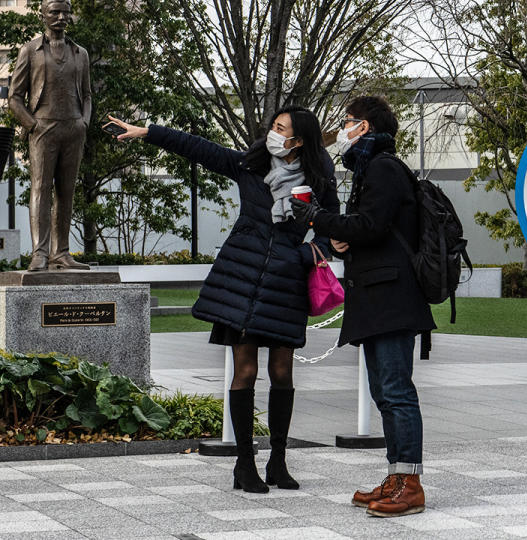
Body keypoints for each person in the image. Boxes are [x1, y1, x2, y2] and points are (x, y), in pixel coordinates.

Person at [107, 107, 339, 493]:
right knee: (244, 370)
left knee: (282, 372)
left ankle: (278, 462)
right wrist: (148, 131)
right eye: (273, 126)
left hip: (286, 284)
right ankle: (244, 464)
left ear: (299, 141)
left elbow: (331, 230)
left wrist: (302, 255)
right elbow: (198, 148)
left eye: (281, 129)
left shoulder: (319, 181)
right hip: (241, 280)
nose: (272, 133)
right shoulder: (251, 166)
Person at [291, 96, 435, 517]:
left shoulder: (384, 168)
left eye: (349, 122)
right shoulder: (372, 169)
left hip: (391, 297)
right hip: (378, 296)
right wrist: (342, 236)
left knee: (395, 392)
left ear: (366, 127)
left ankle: (410, 485)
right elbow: (372, 228)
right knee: (384, 393)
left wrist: (317, 216)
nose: (345, 128)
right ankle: (396, 476)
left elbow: (370, 226)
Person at [9, 0, 92, 271]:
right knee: (41, 189)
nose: (61, 17)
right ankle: (40, 253)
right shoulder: (30, 51)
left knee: (66, 192)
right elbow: (14, 98)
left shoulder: (81, 53)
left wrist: (84, 123)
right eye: (55, 12)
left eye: (65, 12)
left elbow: (88, 95)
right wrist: (32, 125)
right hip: (42, 128)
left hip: (73, 129)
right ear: (43, 15)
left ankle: (62, 253)